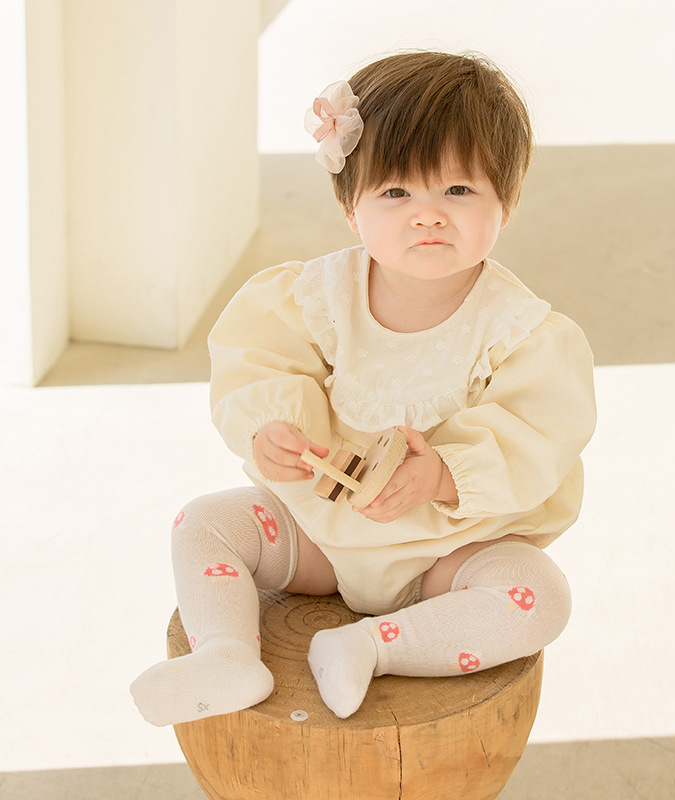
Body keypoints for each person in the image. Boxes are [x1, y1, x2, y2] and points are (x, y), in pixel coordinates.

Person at [131, 50, 596, 725]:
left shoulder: (522, 332)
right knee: (203, 523)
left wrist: (444, 474)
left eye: (458, 190)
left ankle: (371, 647)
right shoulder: (316, 297)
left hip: (447, 554)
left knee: (539, 597)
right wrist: (273, 432)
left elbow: (539, 434)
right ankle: (227, 654)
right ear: (351, 207)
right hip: (323, 536)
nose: (428, 215)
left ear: (507, 201)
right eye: (397, 192)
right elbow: (261, 361)